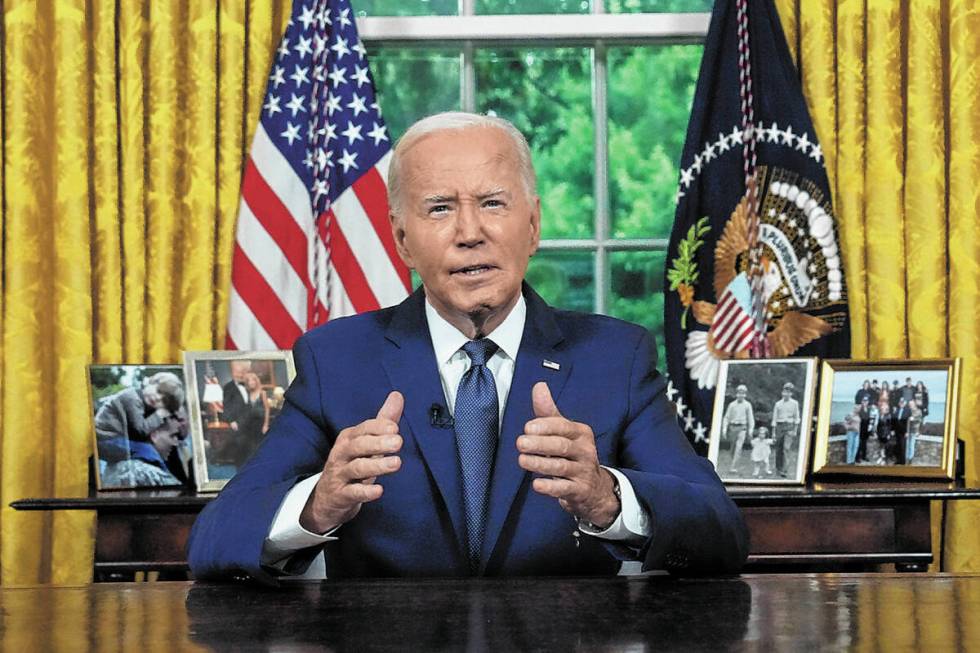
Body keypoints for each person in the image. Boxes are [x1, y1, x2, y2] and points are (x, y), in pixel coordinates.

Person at [187, 112, 748, 583]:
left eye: (493, 203)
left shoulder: (614, 356)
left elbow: (721, 533)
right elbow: (213, 541)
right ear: (403, 240)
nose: (470, 231)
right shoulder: (335, 360)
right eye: (439, 208)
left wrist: (608, 497)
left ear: (532, 225)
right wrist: (317, 504)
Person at [101, 410, 187, 487]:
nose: (176, 443)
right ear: (154, 435)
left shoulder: (114, 466)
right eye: (172, 436)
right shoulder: (151, 474)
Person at [722, 385, 754, 473]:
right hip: (733, 428)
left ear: (745, 395)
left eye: (743, 394)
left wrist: (750, 430)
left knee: (738, 448)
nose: (741, 395)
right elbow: (727, 417)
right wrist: (724, 429)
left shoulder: (747, 405)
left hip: (742, 428)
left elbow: (750, 418)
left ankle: (733, 467)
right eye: (739, 393)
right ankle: (733, 462)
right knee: (732, 448)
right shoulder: (732, 405)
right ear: (737, 394)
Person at [770, 382, 800, 477]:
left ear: (791, 393)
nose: (786, 394)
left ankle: (784, 470)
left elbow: (797, 418)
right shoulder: (778, 404)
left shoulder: (794, 403)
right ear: (782, 392)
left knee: (786, 448)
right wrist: (773, 432)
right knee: (778, 449)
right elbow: (774, 419)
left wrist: (795, 429)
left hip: (789, 426)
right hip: (779, 426)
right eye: (785, 391)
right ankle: (778, 469)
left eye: (789, 392)